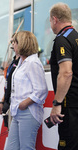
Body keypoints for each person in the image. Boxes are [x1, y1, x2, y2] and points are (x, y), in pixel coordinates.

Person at [5, 31, 48, 150]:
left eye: (15, 42)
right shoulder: (20, 62)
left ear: (22, 43)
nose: (13, 45)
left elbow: (42, 90)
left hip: (29, 112)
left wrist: (25, 103)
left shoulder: (33, 62)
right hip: (17, 112)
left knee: (26, 147)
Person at [49, 3, 78, 149]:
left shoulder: (62, 39)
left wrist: (57, 103)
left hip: (69, 105)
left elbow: (66, 73)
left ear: (55, 19)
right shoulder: (76, 36)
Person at [0, 33, 20, 128]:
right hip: (8, 103)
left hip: (17, 105)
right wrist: (2, 102)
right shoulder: (13, 61)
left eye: (14, 41)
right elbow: (8, 85)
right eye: (12, 41)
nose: (12, 44)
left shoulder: (25, 61)